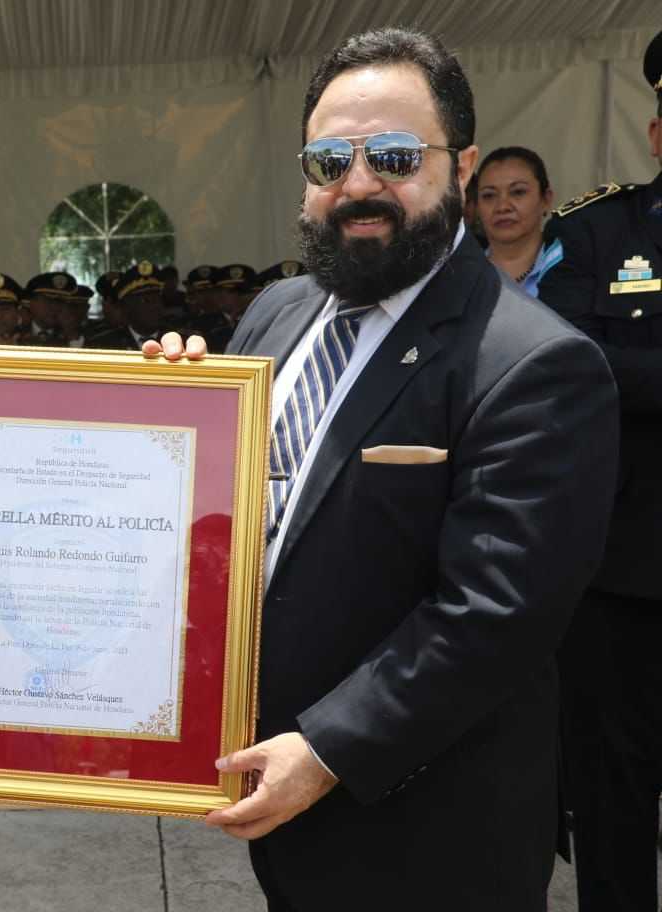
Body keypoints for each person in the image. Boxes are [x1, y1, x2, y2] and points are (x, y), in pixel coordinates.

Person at [150, 27, 616, 910]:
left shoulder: (534, 364)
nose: (358, 185)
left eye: (394, 155)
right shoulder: (275, 314)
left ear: (462, 166)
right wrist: (167, 416)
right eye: (330, 160)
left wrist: (327, 748)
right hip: (278, 803)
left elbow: (494, 615)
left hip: (428, 831)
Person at [535, 29, 662, 911]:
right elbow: (574, 367)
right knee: (613, 805)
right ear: (656, 134)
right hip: (622, 571)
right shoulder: (594, 231)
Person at [475, 146, 561, 296]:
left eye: (518, 192)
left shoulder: (569, 263)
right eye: (489, 195)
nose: (502, 207)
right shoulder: (462, 273)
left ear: (546, 200)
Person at [87, 260, 165, 350]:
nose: (155, 306)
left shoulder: (179, 341)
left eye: (158, 299)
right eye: (146, 301)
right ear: (127, 307)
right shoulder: (101, 344)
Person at [24, 271, 76, 346]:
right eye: (48, 301)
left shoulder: (75, 336)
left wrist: (71, 335)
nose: (55, 307)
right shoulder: (15, 335)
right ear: (32, 303)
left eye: (60, 301)